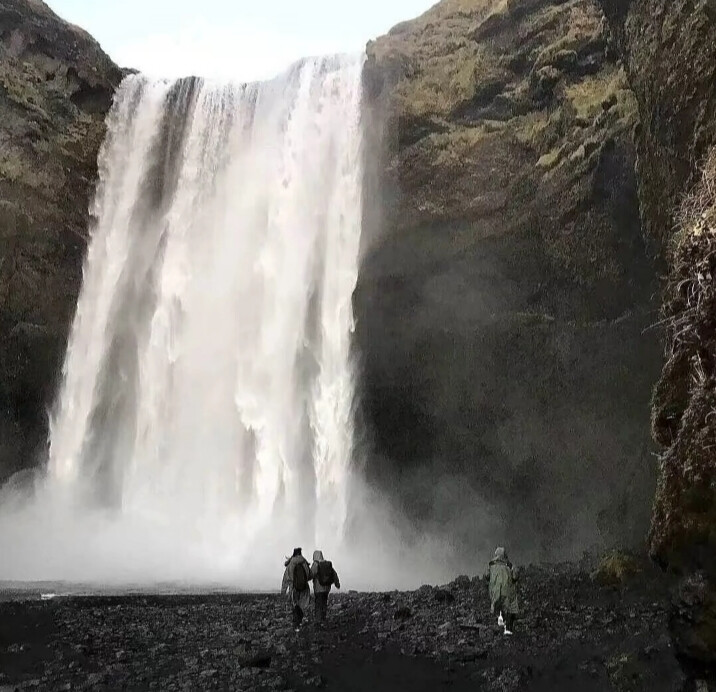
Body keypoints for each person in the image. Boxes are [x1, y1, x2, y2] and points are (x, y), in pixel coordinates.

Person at [489, 546, 518, 635]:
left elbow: (486, 576)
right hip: (507, 592)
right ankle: (507, 630)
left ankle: (499, 627)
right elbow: (515, 577)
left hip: (495, 592)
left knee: (497, 607)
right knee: (509, 609)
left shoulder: (491, 566)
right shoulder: (508, 566)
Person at [282, 547, 311, 631]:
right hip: (304, 588)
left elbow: (286, 578)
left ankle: (296, 624)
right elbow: (309, 575)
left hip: (293, 587)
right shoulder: (304, 562)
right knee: (302, 605)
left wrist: (283, 591)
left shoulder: (291, 563)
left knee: (295, 605)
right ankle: (300, 621)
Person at [310, 550, 340, 623]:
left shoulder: (315, 564)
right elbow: (334, 574)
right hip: (327, 588)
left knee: (318, 604)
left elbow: (311, 575)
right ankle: (323, 618)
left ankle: (318, 621)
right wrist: (337, 584)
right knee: (324, 603)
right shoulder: (327, 564)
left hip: (318, 588)